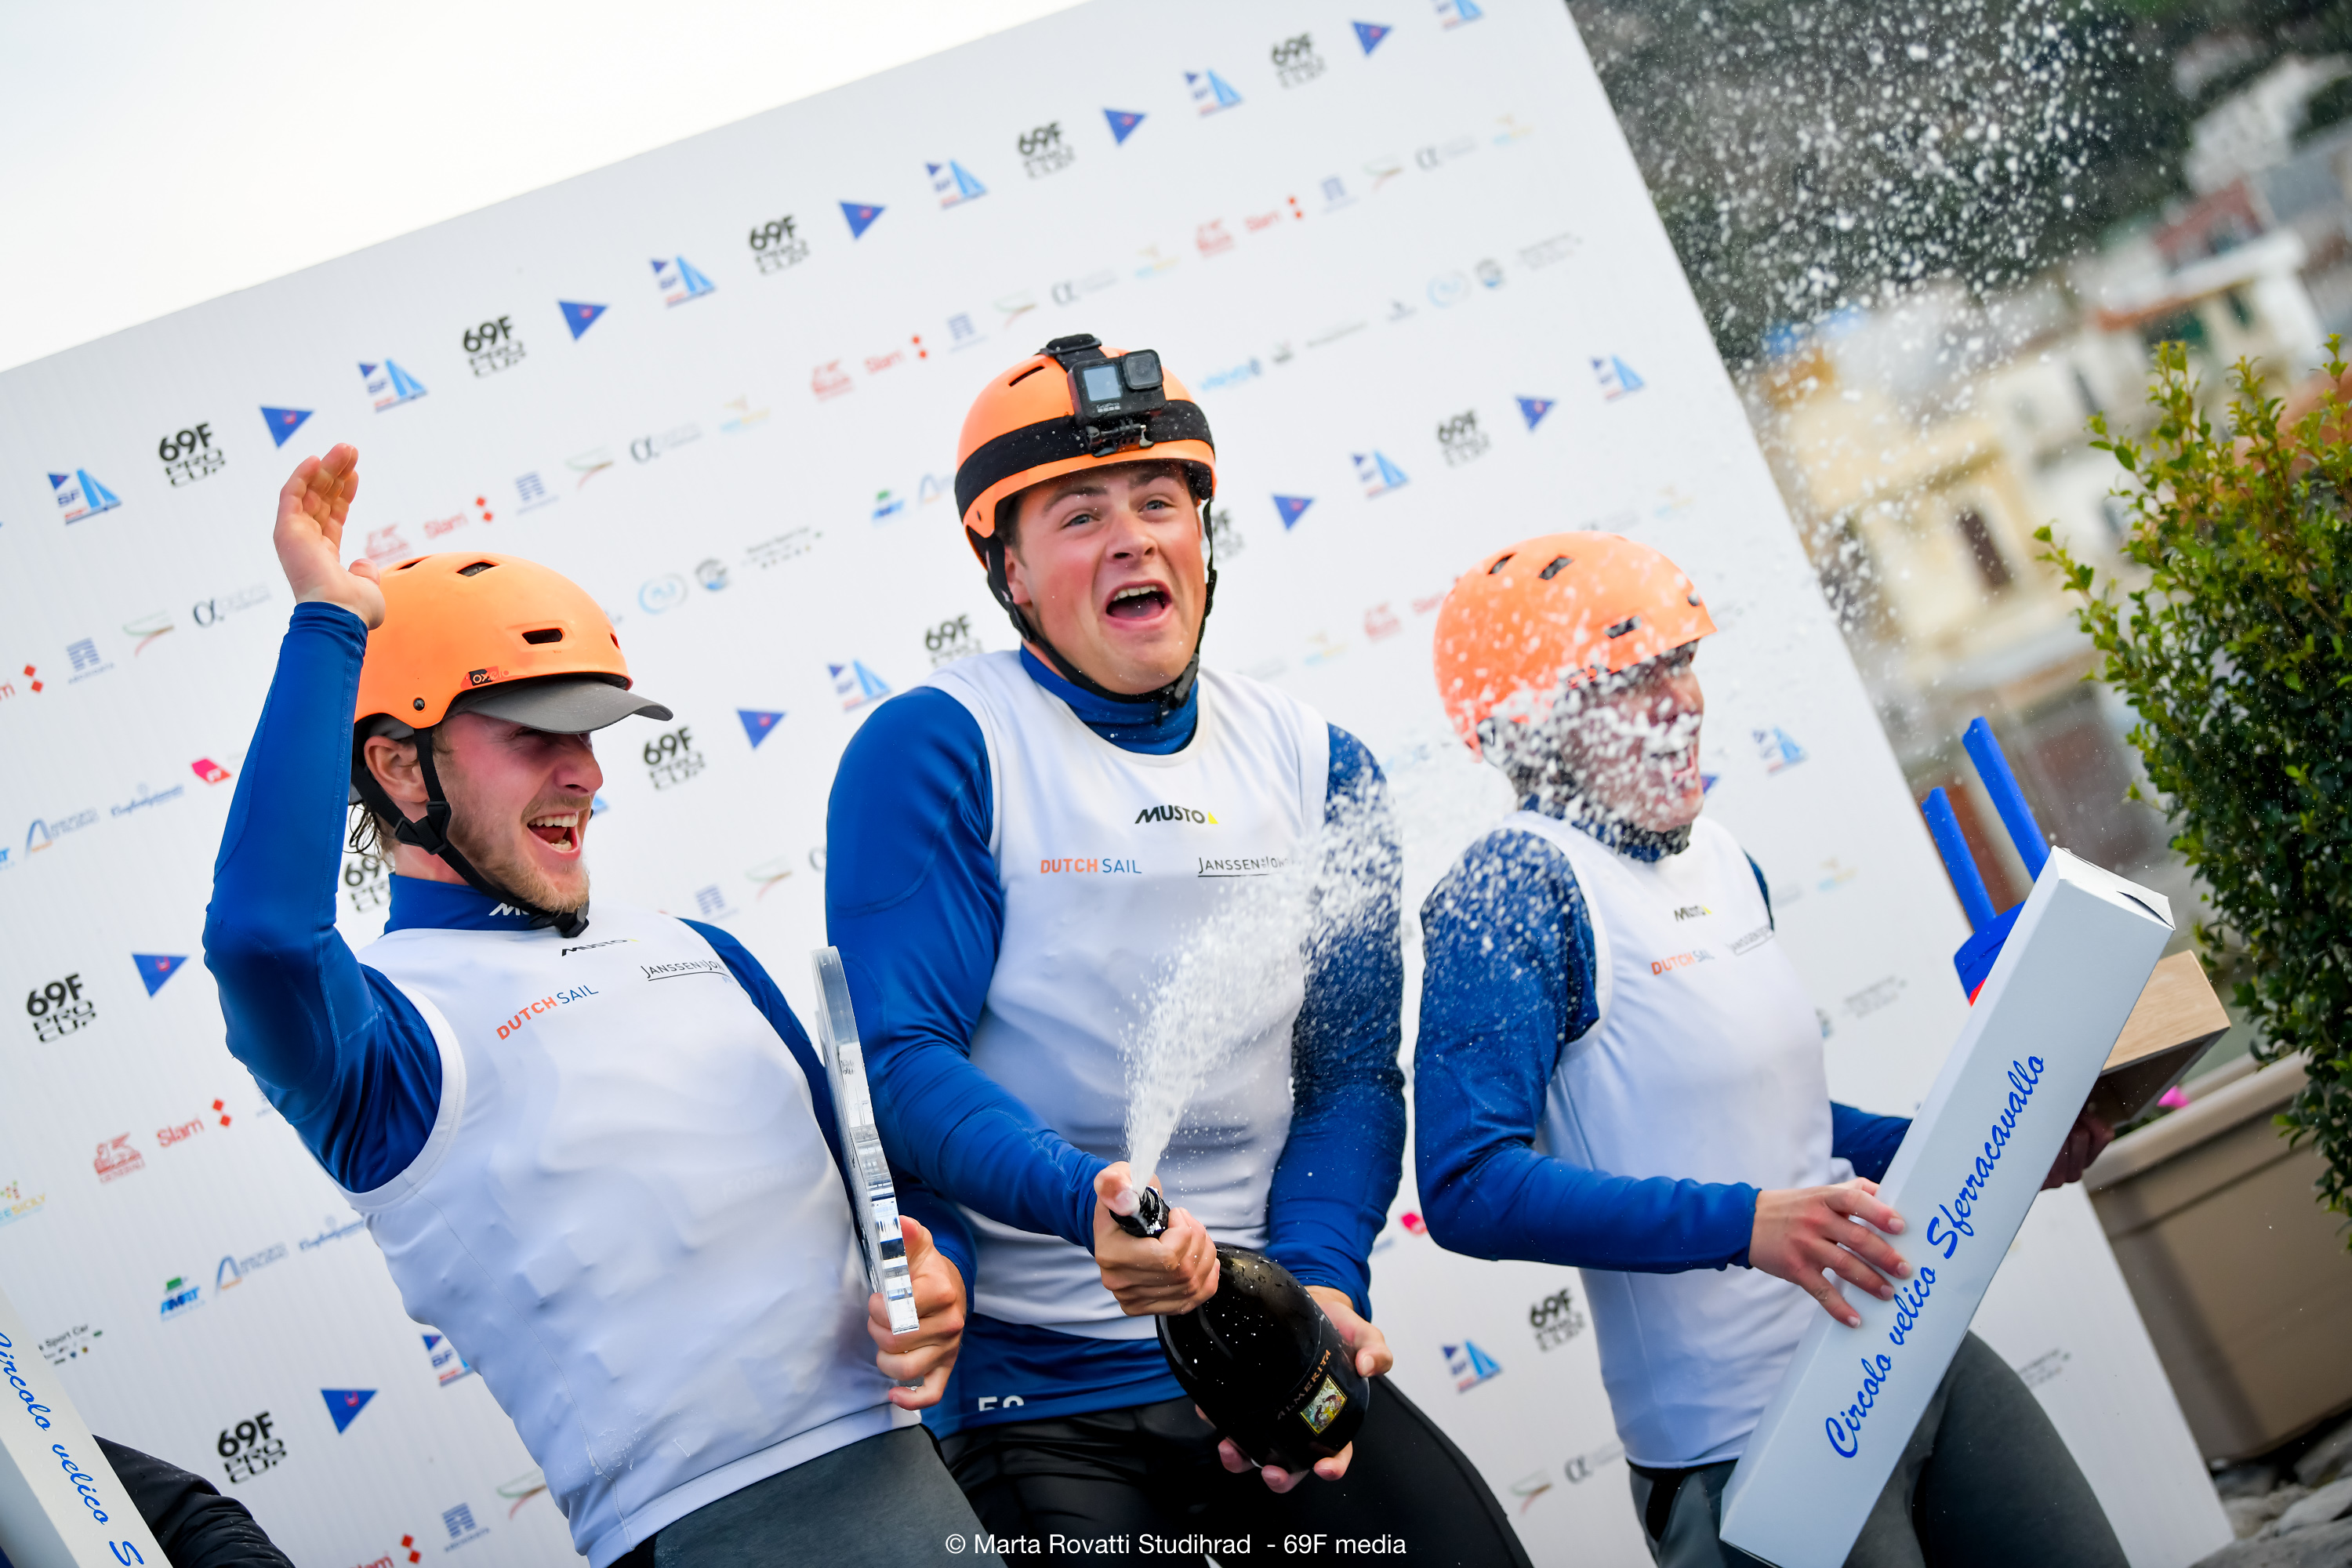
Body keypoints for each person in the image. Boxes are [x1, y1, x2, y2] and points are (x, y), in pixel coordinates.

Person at [202, 446, 996, 1568]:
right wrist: (328, 622)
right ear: (400, 768)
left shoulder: (700, 949)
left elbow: (886, 1188)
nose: (587, 774)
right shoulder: (382, 1041)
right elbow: (260, 938)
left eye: (589, 734)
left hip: (921, 1489)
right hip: (697, 1532)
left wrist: (939, 1265)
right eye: (535, 735)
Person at [824, 336, 1530, 1565]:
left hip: (1260, 1357)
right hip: (1041, 1403)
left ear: (1204, 536)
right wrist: (1086, 1202)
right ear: (1009, 572)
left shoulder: (1322, 765)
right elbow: (902, 1059)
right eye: (1080, 516)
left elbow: (1350, 1076)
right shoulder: (939, 745)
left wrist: (1319, 1288)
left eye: (1160, 501)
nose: (1133, 539)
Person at [1410, 530, 2129, 1567]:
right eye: (1633, 679)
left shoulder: (1719, 854)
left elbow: (1772, 1127)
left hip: (1899, 1339)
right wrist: (1747, 1225)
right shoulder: (1512, 887)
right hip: (1744, 1439)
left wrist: (1996, 1141)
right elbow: (1469, 1186)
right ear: (1535, 729)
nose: (1682, 703)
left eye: (1682, 661)